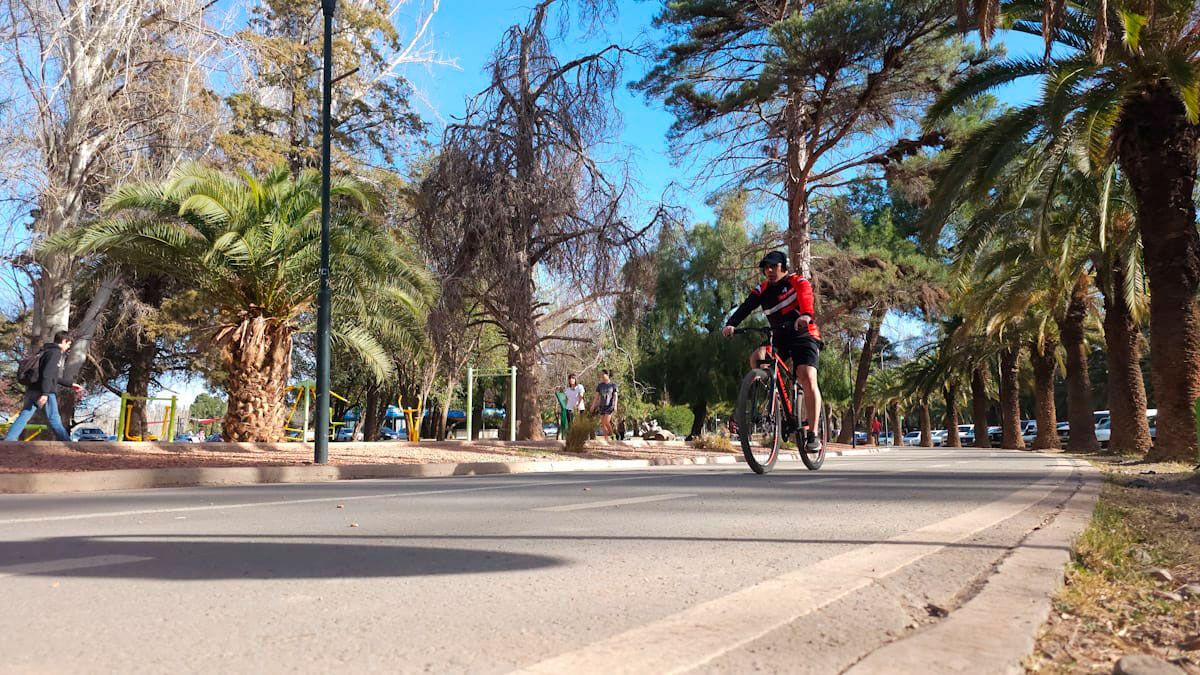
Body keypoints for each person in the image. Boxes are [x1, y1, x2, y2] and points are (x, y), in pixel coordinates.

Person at [722, 250, 824, 453]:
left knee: (806, 374)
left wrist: (805, 315)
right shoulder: (763, 290)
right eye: (765, 267)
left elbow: (806, 297)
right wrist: (731, 324)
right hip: (779, 337)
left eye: (773, 266)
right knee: (758, 357)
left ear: (783, 266)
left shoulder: (797, 282)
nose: (769, 270)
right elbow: (746, 307)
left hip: (803, 334)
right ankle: (774, 396)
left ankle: (813, 434)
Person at [5, 331, 84, 442]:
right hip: (44, 390)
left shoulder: (44, 351)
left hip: (32, 389)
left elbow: (52, 376)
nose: (68, 347)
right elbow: (47, 374)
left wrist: (70, 384)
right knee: (54, 419)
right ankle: (68, 444)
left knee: (24, 415)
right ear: (63, 341)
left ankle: (8, 441)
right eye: (69, 344)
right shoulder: (55, 353)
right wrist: (45, 393)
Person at [590, 369, 619, 439]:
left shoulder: (613, 385)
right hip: (602, 406)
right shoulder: (600, 386)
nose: (601, 376)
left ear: (607, 375)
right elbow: (596, 397)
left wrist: (615, 405)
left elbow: (615, 396)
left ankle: (612, 435)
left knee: (606, 421)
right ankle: (606, 438)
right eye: (601, 374)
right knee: (603, 424)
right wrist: (593, 405)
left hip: (610, 406)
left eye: (603, 374)